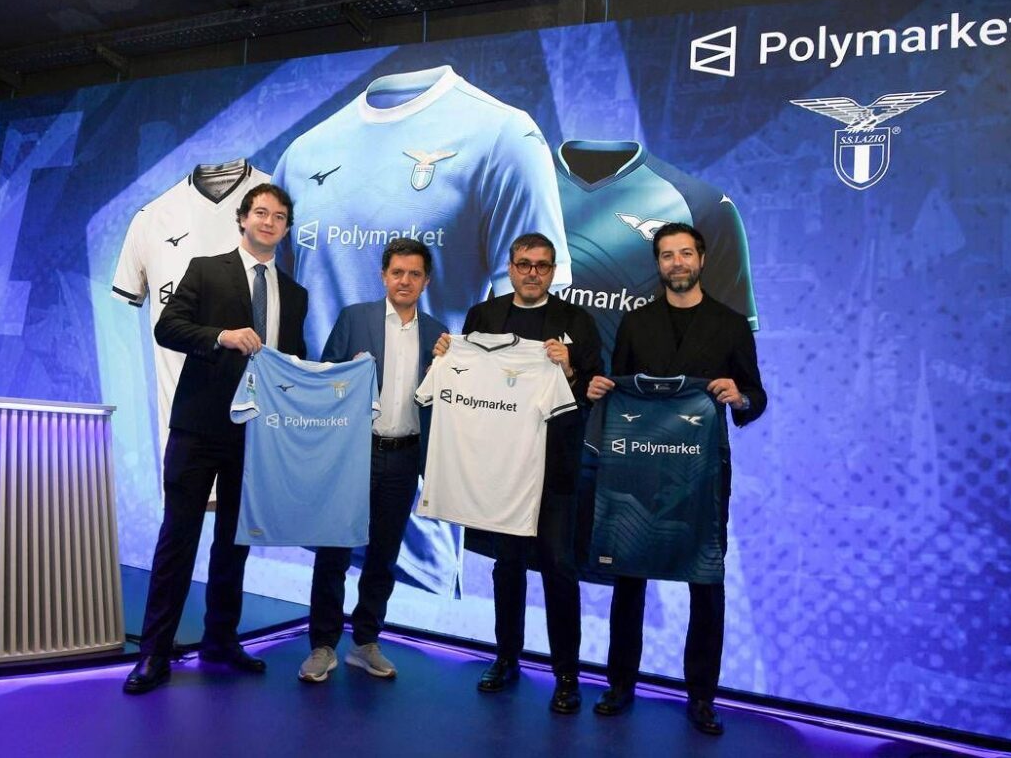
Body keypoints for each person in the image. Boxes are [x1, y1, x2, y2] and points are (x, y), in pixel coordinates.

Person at [124, 183, 308, 694]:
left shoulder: (295, 295)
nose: (269, 221)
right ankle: (154, 652)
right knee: (178, 539)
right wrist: (220, 337)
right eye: (261, 212)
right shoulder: (206, 269)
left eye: (279, 216)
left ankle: (220, 640)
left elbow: (293, 363)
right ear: (242, 219)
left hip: (256, 437)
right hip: (198, 429)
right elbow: (167, 328)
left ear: (286, 228)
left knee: (234, 543)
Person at [586, 222, 766, 735]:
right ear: (658, 264)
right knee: (629, 579)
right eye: (667, 255)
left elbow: (756, 395)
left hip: (702, 474)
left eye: (685, 253)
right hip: (637, 469)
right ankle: (620, 684)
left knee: (705, 583)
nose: (677, 263)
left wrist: (740, 397)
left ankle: (702, 697)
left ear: (701, 260)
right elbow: (617, 389)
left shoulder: (731, 325)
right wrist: (599, 390)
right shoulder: (636, 323)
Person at [434, 232, 602, 714]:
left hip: (555, 465)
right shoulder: (483, 315)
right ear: (510, 267)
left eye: (542, 265)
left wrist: (570, 371)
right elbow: (466, 380)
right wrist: (446, 357)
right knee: (507, 566)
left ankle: (567, 674)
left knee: (559, 568)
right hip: (500, 466)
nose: (532, 273)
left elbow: (594, 386)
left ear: (553, 271)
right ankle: (505, 658)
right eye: (524, 264)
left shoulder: (577, 321)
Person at [298, 239, 446, 683]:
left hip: (404, 458)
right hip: (353, 455)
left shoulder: (439, 335)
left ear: (426, 281)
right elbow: (325, 379)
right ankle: (323, 645)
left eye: (414, 274)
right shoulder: (354, 318)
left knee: (384, 556)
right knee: (334, 552)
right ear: (384, 276)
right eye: (397, 272)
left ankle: (365, 642)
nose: (405, 281)